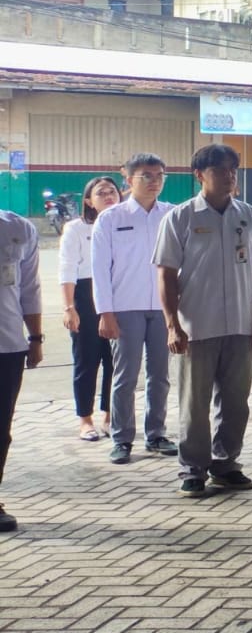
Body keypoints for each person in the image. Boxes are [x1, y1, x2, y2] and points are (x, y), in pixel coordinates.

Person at [155, 145, 252, 499]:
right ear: (199, 175)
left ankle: (226, 464)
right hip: (197, 327)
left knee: (236, 402)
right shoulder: (181, 218)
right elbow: (166, 275)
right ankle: (193, 468)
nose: (229, 176)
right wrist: (172, 325)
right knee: (194, 404)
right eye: (220, 170)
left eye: (233, 169)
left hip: (240, 324)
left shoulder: (248, 216)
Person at [91, 152, 177, 464]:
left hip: (163, 309)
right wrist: (106, 313)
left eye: (159, 175)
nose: (154, 181)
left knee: (160, 375)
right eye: (146, 176)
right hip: (125, 308)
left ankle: (156, 434)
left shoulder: (172, 215)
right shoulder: (111, 218)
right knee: (125, 377)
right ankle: (122, 438)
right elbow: (100, 270)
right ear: (128, 180)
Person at [59, 176, 120, 440]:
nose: (108, 196)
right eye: (101, 193)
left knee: (116, 361)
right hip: (85, 296)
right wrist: (69, 307)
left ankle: (110, 416)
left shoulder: (124, 223)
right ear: (88, 201)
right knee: (87, 359)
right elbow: (67, 268)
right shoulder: (76, 228)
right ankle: (85, 420)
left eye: (112, 191)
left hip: (118, 295)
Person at [0, 206, 43, 533]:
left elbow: (30, 288)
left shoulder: (18, 228)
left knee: (1, 429)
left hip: (8, 344)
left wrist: (36, 337)